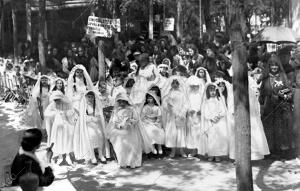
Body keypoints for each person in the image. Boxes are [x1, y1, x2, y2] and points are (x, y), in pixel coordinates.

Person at [259, 55, 293, 157]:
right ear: (269, 67)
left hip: (281, 106)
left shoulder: (282, 77)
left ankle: (282, 151)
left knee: (281, 128)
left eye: (276, 66)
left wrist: (283, 95)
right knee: (269, 128)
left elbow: (289, 91)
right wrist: (261, 105)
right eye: (272, 66)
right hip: (269, 106)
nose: (274, 68)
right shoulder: (265, 79)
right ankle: (271, 150)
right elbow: (262, 93)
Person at [107, 93, 152, 168]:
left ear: (126, 101)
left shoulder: (131, 109)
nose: (121, 103)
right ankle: (123, 161)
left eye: (123, 101)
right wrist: (119, 125)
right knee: (119, 141)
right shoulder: (116, 110)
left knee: (133, 142)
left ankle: (133, 162)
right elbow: (114, 121)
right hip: (120, 129)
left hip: (131, 129)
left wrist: (130, 122)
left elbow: (136, 119)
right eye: (120, 101)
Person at [73, 90, 107, 165]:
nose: (90, 98)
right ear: (85, 97)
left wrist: (97, 118)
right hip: (87, 125)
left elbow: (99, 114)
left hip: (96, 123)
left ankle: (101, 154)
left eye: (92, 97)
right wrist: (91, 119)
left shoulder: (95, 105)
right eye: (89, 97)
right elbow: (82, 116)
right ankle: (92, 156)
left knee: (100, 136)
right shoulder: (83, 106)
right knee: (91, 136)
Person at [44, 91, 77, 165]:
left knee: (67, 140)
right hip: (58, 126)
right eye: (55, 100)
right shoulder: (53, 105)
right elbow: (46, 112)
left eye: (58, 99)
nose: (57, 101)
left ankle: (71, 158)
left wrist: (65, 112)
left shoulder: (66, 104)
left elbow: (72, 111)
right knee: (60, 140)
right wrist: (55, 113)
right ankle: (62, 158)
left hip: (66, 125)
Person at [162, 76, 189, 158]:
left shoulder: (182, 94)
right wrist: (168, 107)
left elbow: (186, 104)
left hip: (180, 116)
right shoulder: (168, 94)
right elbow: (165, 105)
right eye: (173, 83)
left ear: (179, 84)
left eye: (176, 83)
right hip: (171, 116)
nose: (174, 85)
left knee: (180, 133)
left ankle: (181, 150)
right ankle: (173, 151)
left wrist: (182, 113)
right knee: (172, 133)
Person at [200, 83, 228, 162]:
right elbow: (204, 112)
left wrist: (218, 116)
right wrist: (211, 118)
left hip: (218, 122)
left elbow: (224, 110)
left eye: (214, 90)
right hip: (210, 122)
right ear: (208, 92)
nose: (212, 92)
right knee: (211, 138)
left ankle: (217, 155)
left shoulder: (219, 100)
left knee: (218, 138)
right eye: (211, 91)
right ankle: (211, 154)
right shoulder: (206, 101)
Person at [140, 90, 165, 155]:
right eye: (148, 98)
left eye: (151, 98)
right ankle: (153, 147)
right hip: (148, 123)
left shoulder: (157, 107)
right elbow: (143, 117)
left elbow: (159, 116)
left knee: (159, 131)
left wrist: (156, 122)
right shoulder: (145, 107)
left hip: (156, 122)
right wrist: (148, 122)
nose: (149, 99)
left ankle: (159, 146)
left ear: (154, 99)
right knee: (149, 131)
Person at [186, 76, 203, 157]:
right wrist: (189, 110)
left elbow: (203, 103)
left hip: (199, 116)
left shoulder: (201, 94)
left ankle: (200, 149)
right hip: (192, 116)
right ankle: (194, 150)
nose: (194, 87)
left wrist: (201, 110)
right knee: (192, 133)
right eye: (192, 86)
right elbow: (186, 104)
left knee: (199, 132)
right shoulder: (189, 94)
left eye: (196, 85)